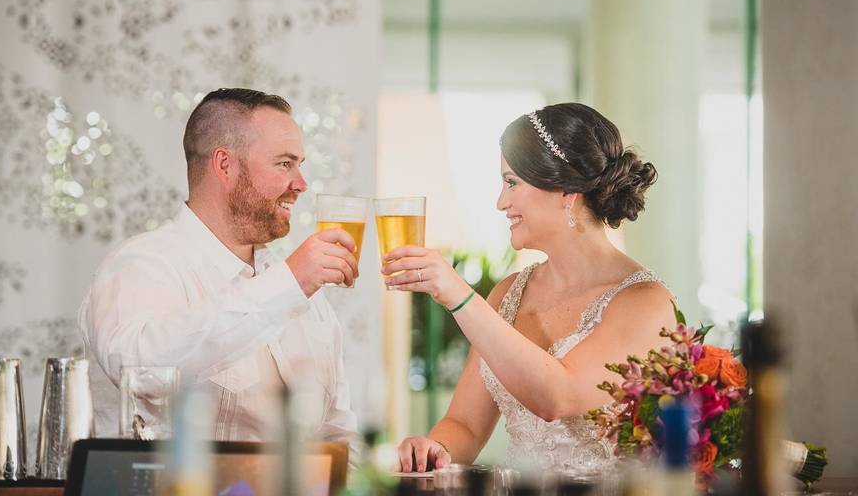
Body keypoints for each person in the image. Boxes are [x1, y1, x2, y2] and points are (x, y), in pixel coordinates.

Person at [388, 103, 674, 474]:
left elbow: (558, 397)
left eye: (512, 182)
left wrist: (457, 294)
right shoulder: (508, 293)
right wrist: (433, 449)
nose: (500, 202)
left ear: (566, 192)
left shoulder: (645, 302)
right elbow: (466, 426)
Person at [79, 88, 360, 449]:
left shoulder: (303, 291)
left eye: (300, 165)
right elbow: (140, 372)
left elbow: (336, 437)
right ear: (225, 165)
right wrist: (289, 283)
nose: (301, 184)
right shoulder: (142, 265)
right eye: (284, 164)